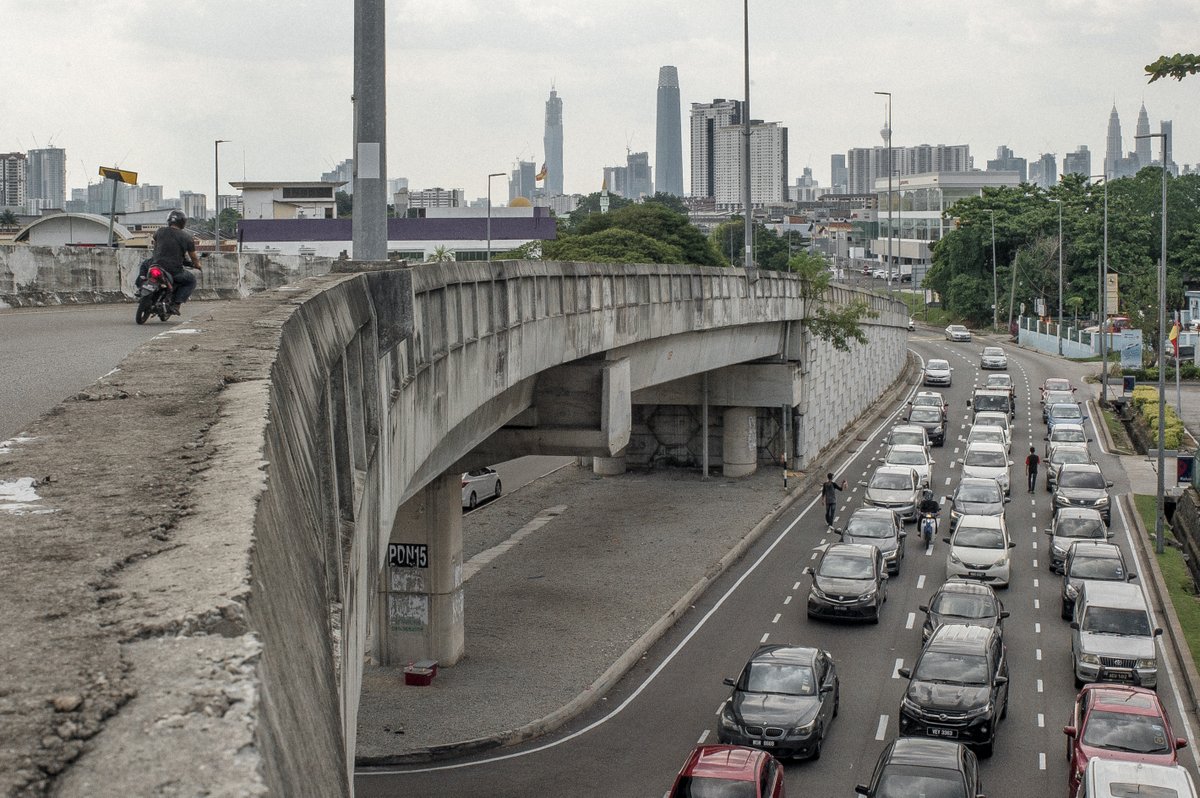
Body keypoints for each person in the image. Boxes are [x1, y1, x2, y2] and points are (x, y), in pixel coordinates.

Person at [150, 209, 202, 314]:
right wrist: (197, 265)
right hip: (174, 270)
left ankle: (139, 287)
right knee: (191, 281)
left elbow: (155, 246)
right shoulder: (187, 238)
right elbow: (193, 257)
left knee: (143, 267)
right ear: (182, 222)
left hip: (155, 264)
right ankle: (176, 304)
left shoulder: (159, 231)